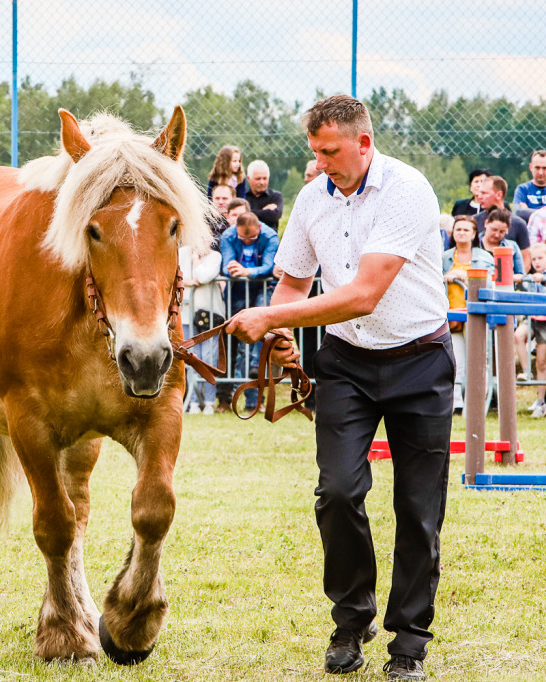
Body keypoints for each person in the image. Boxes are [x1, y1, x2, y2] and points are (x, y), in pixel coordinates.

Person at [226, 94, 450, 681]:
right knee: (339, 493)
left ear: (364, 143)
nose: (321, 162)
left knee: (418, 508)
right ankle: (351, 621)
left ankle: (409, 644)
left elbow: (364, 292)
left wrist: (273, 321)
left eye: (330, 151)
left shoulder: (407, 190)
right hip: (346, 363)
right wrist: (281, 328)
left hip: (420, 360)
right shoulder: (310, 200)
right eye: (315, 152)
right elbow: (294, 283)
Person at [221, 211, 278, 411]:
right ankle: (245, 401)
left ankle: (255, 398)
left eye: (251, 238)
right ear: (236, 231)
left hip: (263, 291)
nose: (246, 242)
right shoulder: (228, 236)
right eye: (242, 238)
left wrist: (248, 272)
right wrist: (232, 269)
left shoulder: (270, 236)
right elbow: (226, 265)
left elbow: (269, 266)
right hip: (237, 294)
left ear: (259, 229)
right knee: (242, 347)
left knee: (259, 339)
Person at [442, 215, 492, 414]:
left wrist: (469, 276)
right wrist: (446, 277)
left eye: (466, 229)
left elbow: (491, 281)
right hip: (453, 314)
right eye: (458, 229)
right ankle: (456, 403)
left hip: (476, 314)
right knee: (456, 360)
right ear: (452, 233)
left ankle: (479, 401)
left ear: (474, 234)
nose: (461, 233)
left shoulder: (484, 257)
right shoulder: (444, 257)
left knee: (479, 358)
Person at [179, 235, 224, 415]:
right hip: (186, 313)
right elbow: (178, 277)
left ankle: (209, 402)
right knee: (192, 358)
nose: (202, 243)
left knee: (209, 357)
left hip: (210, 313)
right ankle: (194, 402)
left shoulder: (215, 257)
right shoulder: (181, 253)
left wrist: (197, 261)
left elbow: (203, 277)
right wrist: (187, 281)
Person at [515, 243, 546, 418]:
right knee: (518, 335)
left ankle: (541, 400)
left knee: (542, 361)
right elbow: (524, 290)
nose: (537, 262)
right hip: (532, 317)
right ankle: (526, 372)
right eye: (534, 259)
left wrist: (543, 279)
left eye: (541, 258)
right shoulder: (532, 276)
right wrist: (520, 279)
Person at [473, 176, 530, 256]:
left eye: (484, 193)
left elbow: (525, 257)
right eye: (479, 193)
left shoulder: (518, 224)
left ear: (499, 195)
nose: (479, 196)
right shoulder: (474, 221)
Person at [477, 208, 526, 280]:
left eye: (502, 232)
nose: (497, 235)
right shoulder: (473, 244)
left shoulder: (512, 247)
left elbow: (521, 273)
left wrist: (515, 277)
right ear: (486, 223)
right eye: (494, 230)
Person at [244, 160, 284, 230]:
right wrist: (264, 211)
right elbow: (236, 215)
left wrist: (246, 213)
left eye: (264, 178)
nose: (262, 182)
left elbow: (274, 216)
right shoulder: (242, 196)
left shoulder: (276, 196)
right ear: (248, 179)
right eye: (258, 179)